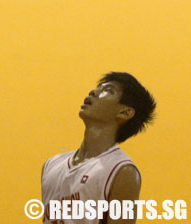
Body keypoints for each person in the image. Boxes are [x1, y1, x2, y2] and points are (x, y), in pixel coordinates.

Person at [41, 72, 156, 224]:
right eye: (97, 88)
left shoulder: (122, 171)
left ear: (125, 112)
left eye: (108, 90)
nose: (93, 92)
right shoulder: (51, 165)